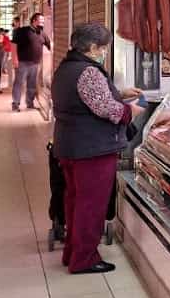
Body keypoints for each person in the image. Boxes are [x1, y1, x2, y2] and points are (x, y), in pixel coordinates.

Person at [51, 22, 143, 274]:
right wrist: (129, 110)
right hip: (91, 149)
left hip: (70, 145)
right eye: (104, 48)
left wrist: (119, 93)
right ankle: (85, 259)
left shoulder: (66, 67)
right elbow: (104, 108)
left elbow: (85, 99)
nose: (105, 52)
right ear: (92, 47)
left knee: (75, 202)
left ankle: (73, 253)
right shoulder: (88, 72)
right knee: (91, 206)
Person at [12, 13, 50, 111]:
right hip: (22, 63)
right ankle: (15, 103)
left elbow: (49, 44)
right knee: (19, 83)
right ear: (34, 20)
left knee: (32, 84)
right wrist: (14, 58)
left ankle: (30, 103)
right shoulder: (22, 31)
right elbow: (14, 45)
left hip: (35, 63)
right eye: (40, 20)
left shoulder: (42, 33)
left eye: (43, 21)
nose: (42, 22)